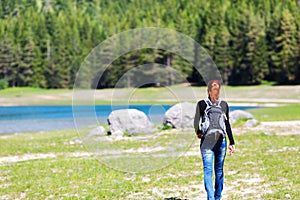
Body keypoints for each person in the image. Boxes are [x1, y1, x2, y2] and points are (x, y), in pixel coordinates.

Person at [194, 80, 235, 200]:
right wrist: (232, 142)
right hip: (221, 141)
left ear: (208, 91)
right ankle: (218, 197)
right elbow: (227, 124)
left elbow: (196, 122)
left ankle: (210, 198)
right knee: (219, 170)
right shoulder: (224, 104)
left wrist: (198, 132)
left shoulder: (201, 104)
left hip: (206, 141)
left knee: (208, 171)